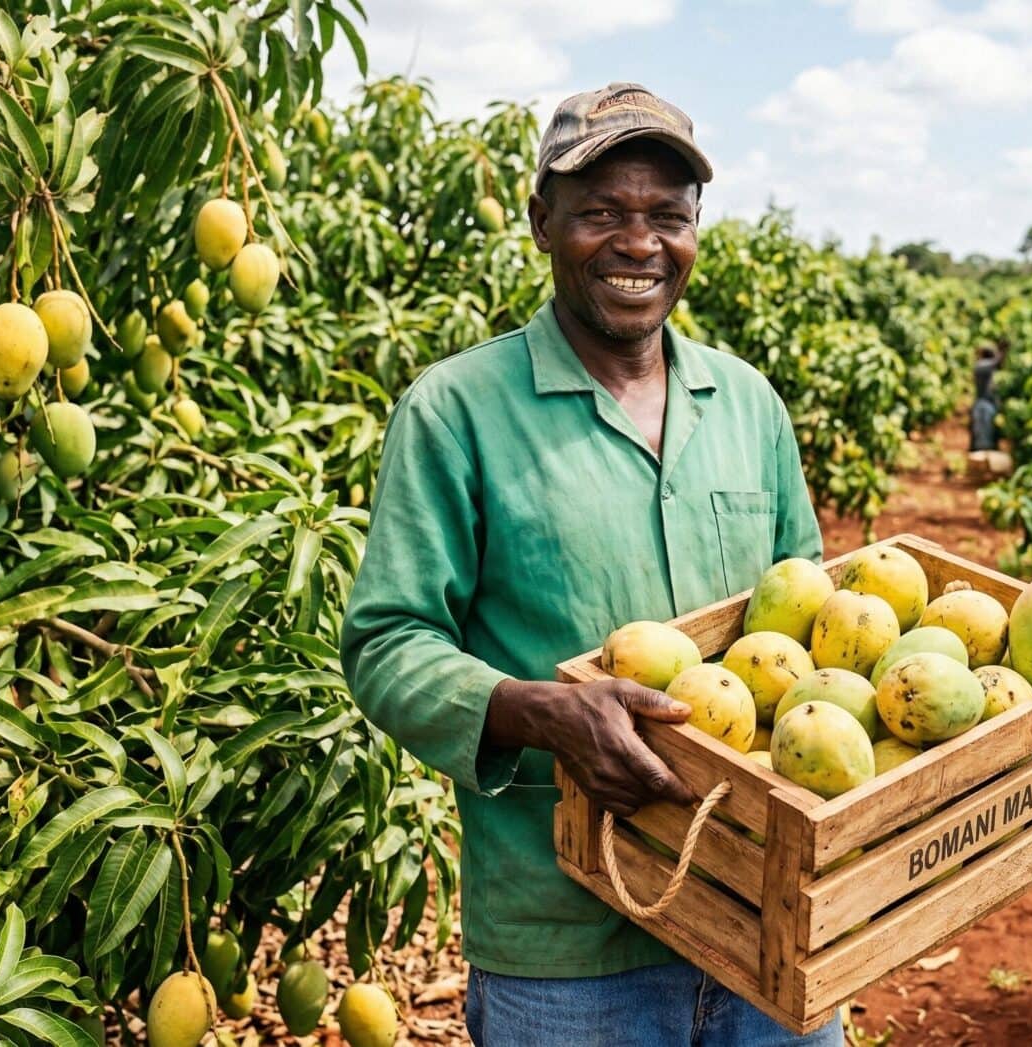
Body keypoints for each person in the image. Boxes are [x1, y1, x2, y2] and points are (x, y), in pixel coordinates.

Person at [341, 83, 836, 1046]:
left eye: (667, 215)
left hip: (769, 920)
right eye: (602, 211)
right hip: (567, 950)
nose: (639, 243)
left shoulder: (748, 406)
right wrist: (542, 711)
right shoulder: (456, 411)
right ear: (541, 222)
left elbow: (812, 618)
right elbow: (387, 641)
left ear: (695, 230)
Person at [969, 344, 1002, 452]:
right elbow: (997, 362)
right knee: (983, 434)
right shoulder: (982, 365)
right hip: (984, 404)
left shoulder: (984, 366)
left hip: (986, 403)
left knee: (985, 432)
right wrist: (1002, 351)